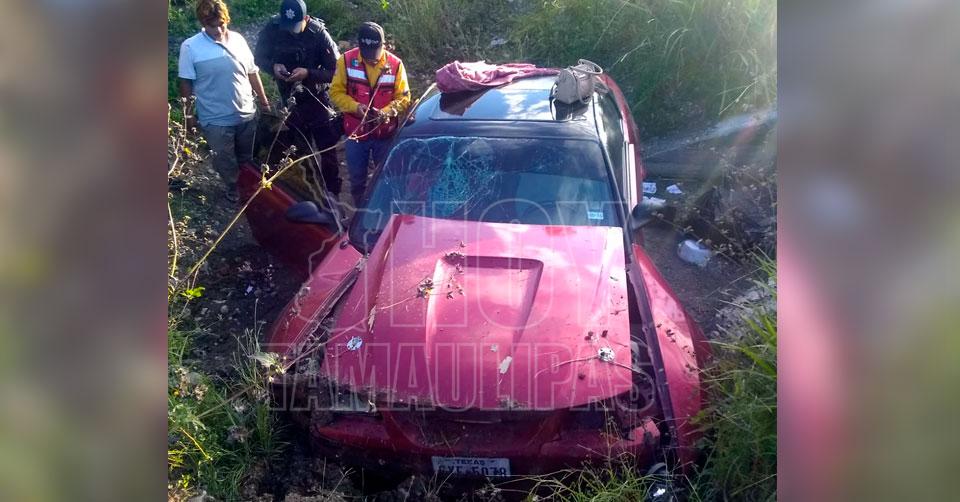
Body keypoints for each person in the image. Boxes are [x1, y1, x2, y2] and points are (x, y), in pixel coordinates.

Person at [178, 0, 270, 203]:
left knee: (248, 156)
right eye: (212, 26)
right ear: (203, 23)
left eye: (222, 24)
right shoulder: (191, 47)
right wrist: (188, 116)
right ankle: (233, 187)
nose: (218, 30)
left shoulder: (238, 40)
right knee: (224, 158)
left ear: (227, 19)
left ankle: (249, 187)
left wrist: (264, 102)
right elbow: (185, 82)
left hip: (246, 112)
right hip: (215, 118)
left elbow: (252, 72)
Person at [255, 0, 342, 202]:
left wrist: (308, 73)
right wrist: (273, 67)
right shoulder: (273, 29)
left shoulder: (318, 33)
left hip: (317, 100)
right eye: (288, 26)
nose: (291, 31)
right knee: (300, 150)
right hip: (290, 101)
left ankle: (333, 193)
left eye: (295, 26)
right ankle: (310, 193)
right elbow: (258, 57)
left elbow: (337, 71)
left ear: (306, 19)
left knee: (327, 149)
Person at [330, 22, 411, 205]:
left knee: (387, 178)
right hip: (355, 134)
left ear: (383, 45)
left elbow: (404, 97)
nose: (372, 60)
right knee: (357, 179)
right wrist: (354, 106)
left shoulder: (396, 65)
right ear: (359, 46)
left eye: (375, 54)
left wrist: (386, 112)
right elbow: (335, 92)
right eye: (367, 54)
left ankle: (385, 209)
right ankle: (360, 210)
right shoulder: (345, 61)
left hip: (385, 134)